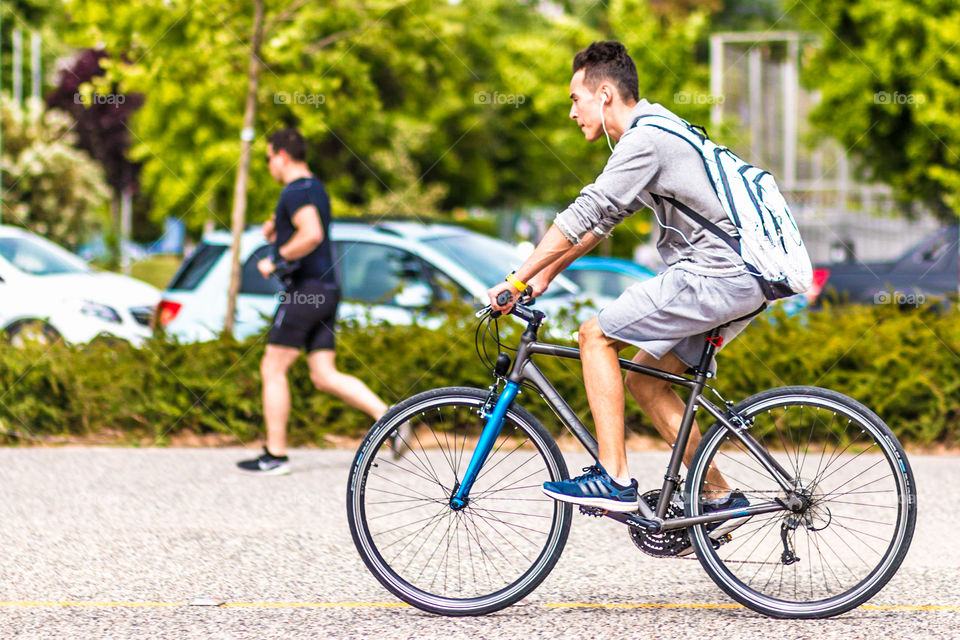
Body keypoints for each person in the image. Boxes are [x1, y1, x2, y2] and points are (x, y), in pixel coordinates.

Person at [487, 41, 762, 529]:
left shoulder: (645, 139)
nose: (572, 111)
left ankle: (613, 477)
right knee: (645, 379)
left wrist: (515, 278)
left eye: (575, 98)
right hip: (742, 277)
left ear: (606, 93)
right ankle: (718, 494)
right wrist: (544, 275)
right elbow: (604, 221)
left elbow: (586, 211)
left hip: (716, 273)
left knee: (594, 335)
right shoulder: (659, 132)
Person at [237, 128, 404, 475]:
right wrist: (273, 226)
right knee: (324, 374)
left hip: (305, 292)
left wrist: (277, 259)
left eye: (268, 158)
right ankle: (391, 417)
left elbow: (311, 233)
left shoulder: (294, 191)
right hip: (326, 290)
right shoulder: (314, 187)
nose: (269, 165)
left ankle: (275, 455)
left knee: (272, 368)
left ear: (281, 155)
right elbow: (306, 221)